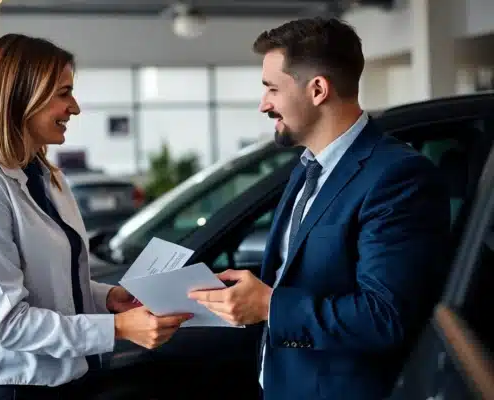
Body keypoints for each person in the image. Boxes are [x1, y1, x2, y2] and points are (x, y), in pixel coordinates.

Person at [189, 17, 451, 400]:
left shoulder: (398, 176)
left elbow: (385, 317)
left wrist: (269, 305)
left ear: (317, 90)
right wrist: (245, 291)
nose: (263, 104)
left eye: (272, 89)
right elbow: (302, 271)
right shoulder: (308, 165)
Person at [0, 33, 192, 400]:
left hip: (69, 382)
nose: (75, 108)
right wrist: (116, 328)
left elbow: (52, 286)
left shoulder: (47, 176)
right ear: (20, 95)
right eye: (63, 93)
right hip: (10, 392)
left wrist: (108, 297)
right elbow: (10, 324)